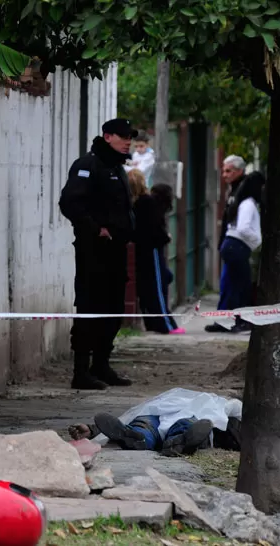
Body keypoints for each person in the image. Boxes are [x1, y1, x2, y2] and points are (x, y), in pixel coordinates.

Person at [59, 118, 137, 391]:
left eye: (130, 137)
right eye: (123, 136)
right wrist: (96, 230)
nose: (128, 141)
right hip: (94, 252)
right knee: (90, 308)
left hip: (116, 251)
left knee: (113, 309)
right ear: (107, 136)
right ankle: (81, 371)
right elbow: (69, 203)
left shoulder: (117, 167)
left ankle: (101, 365)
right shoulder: (88, 165)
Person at [68, 387, 243, 457]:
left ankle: (177, 442)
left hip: (188, 419)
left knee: (179, 424)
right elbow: (135, 412)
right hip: (164, 413)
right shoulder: (221, 404)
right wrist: (93, 430)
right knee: (145, 422)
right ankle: (139, 438)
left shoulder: (231, 413)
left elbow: (235, 433)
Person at [205, 172, 264, 333]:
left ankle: (226, 320)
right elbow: (244, 228)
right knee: (240, 286)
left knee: (231, 285)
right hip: (237, 246)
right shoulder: (248, 204)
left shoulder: (241, 202)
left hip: (232, 246)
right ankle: (240, 321)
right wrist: (257, 241)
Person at [130, 172, 184, 335]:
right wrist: (165, 238)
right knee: (157, 287)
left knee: (151, 287)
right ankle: (165, 325)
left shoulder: (135, 204)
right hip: (151, 249)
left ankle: (154, 323)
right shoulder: (147, 203)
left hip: (141, 249)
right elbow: (154, 229)